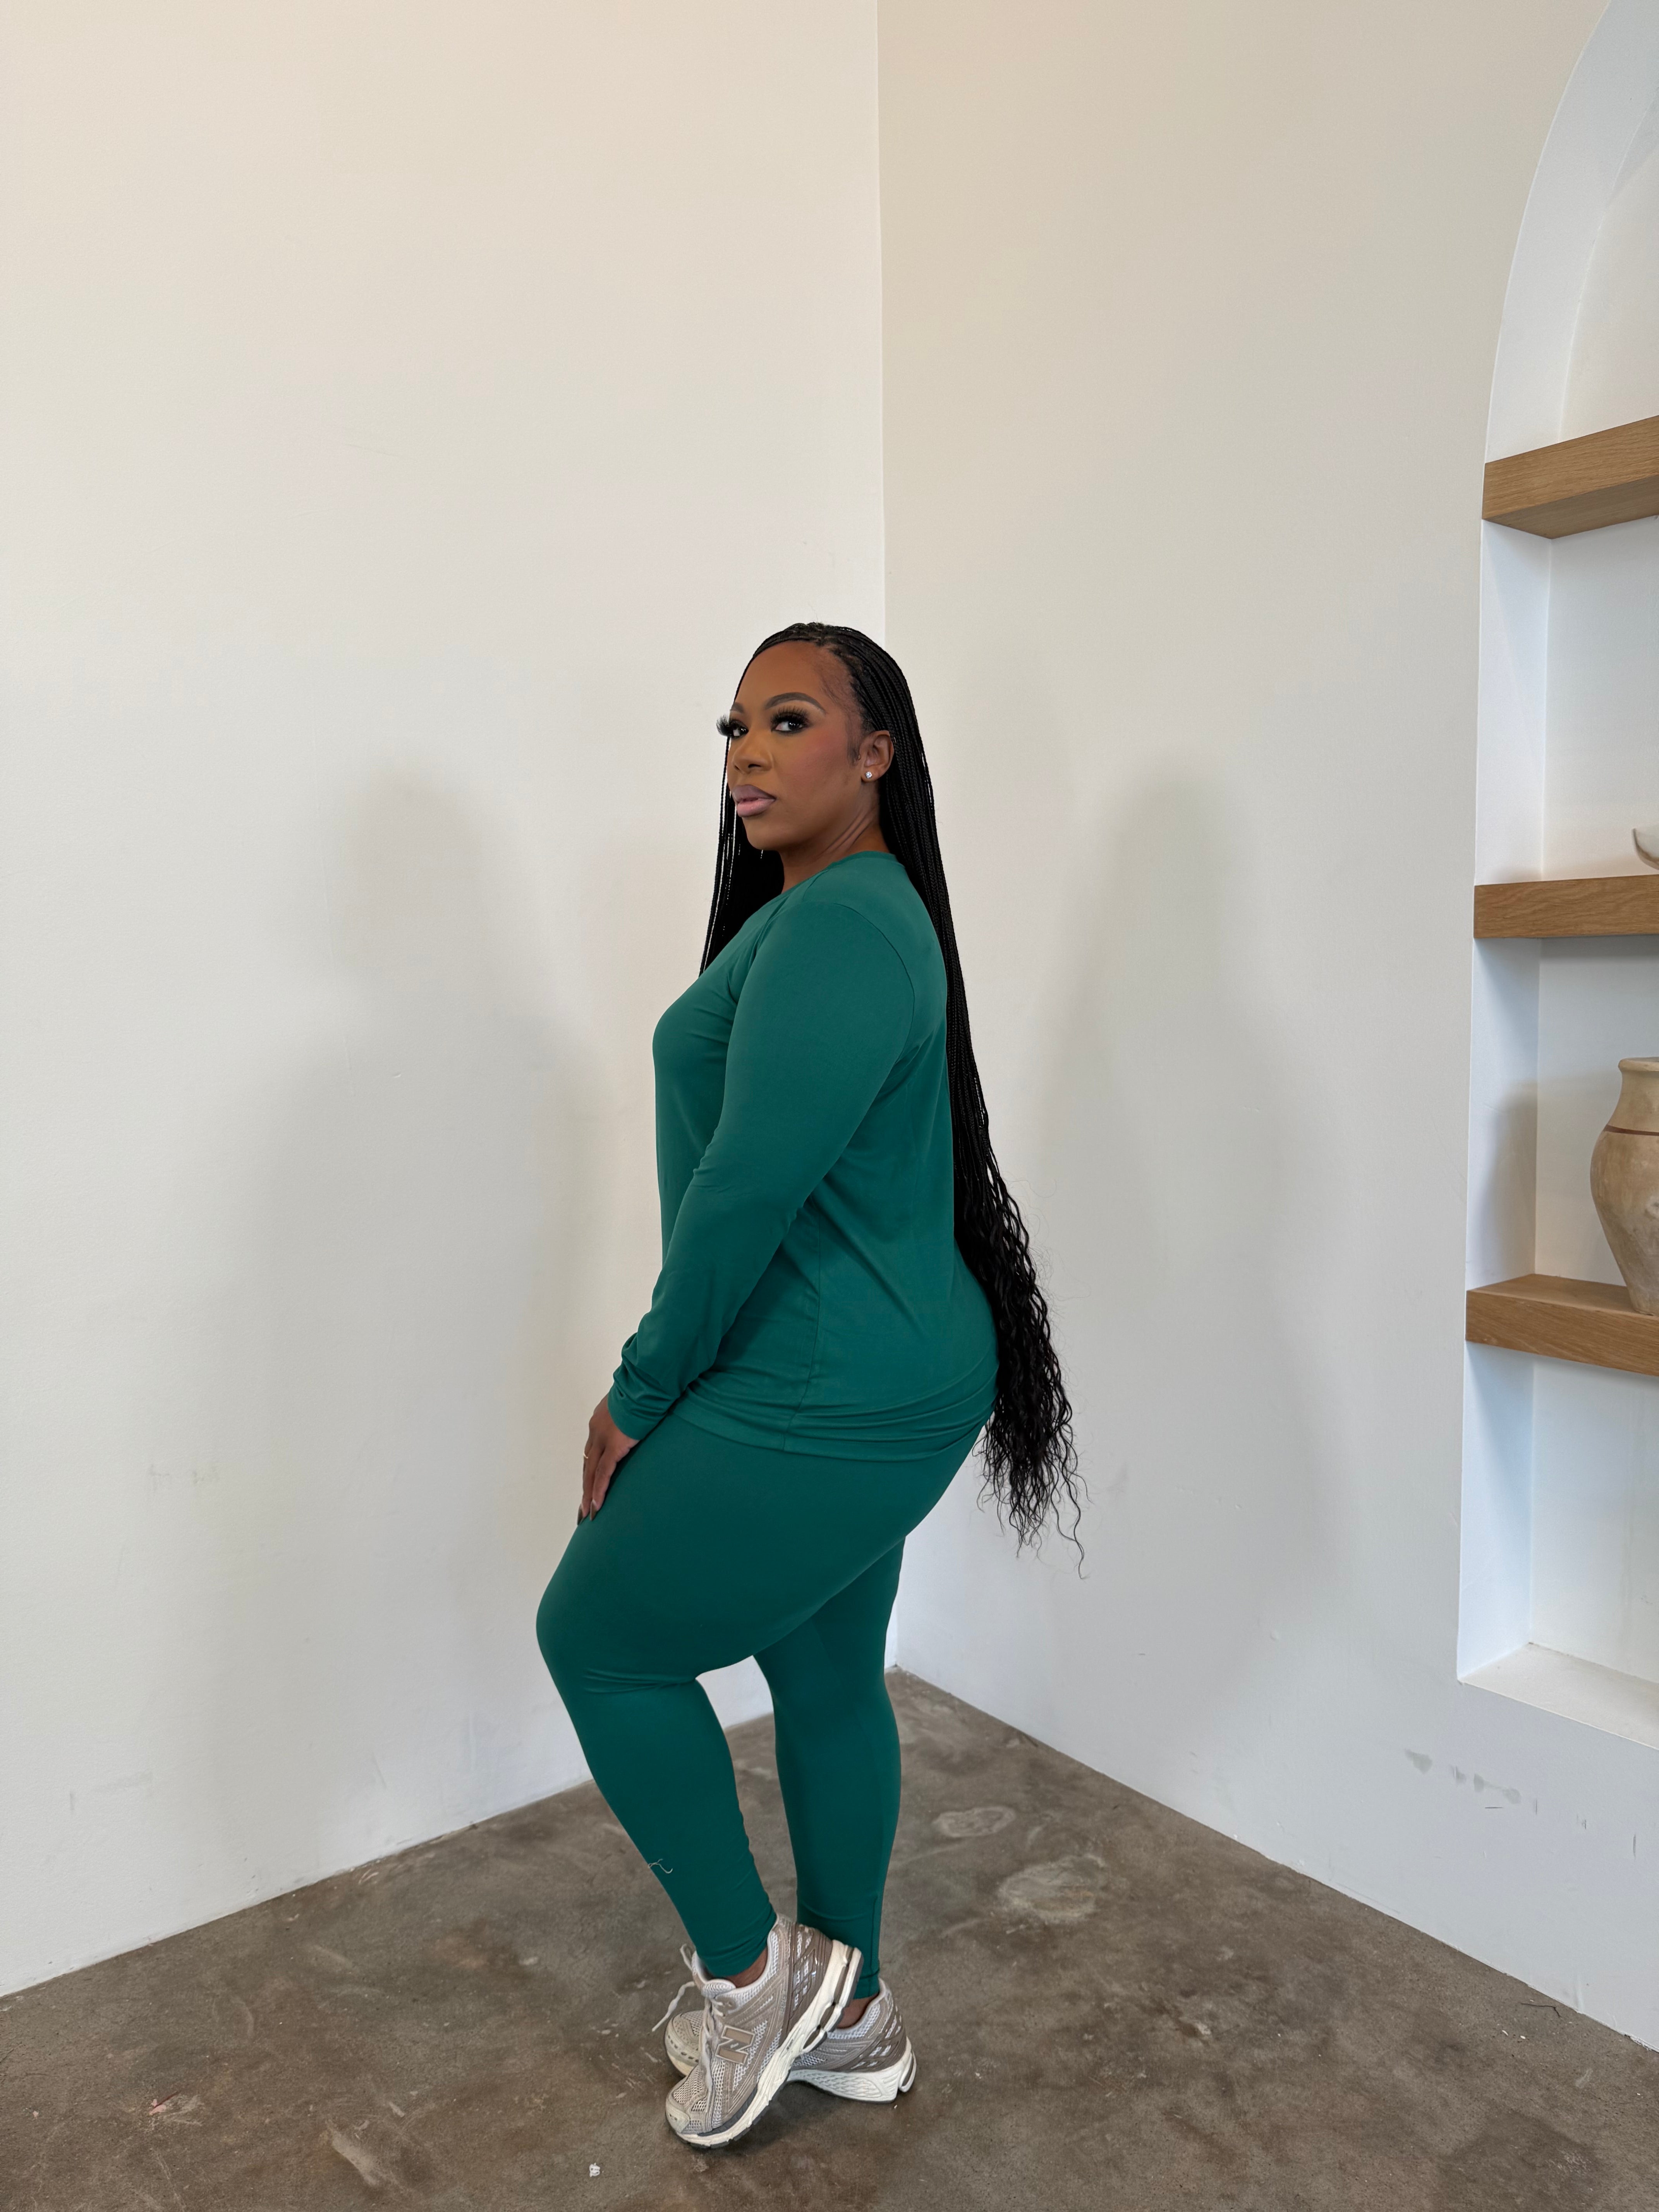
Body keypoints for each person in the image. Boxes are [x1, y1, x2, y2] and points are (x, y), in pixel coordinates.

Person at [536, 621, 1078, 2149]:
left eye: (788, 722)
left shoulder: (842, 925)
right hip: (876, 1371)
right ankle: (853, 2015)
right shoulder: (843, 914)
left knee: (597, 1642)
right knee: (830, 1676)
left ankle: (753, 1978)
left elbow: (746, 1191)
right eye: (734, 728)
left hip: (827, 1386)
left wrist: (642, 1389)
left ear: (875, 753)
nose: (747, 755)